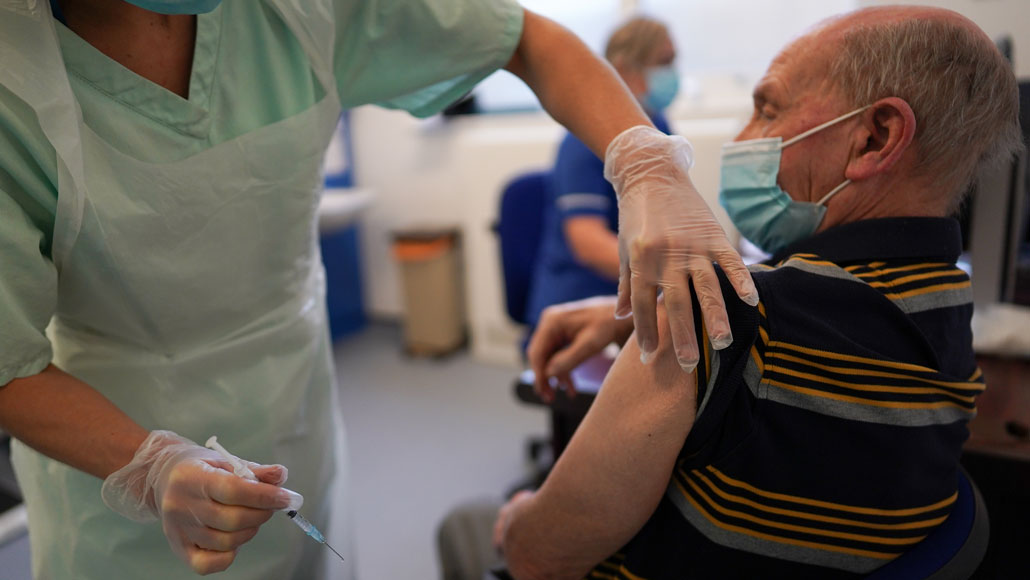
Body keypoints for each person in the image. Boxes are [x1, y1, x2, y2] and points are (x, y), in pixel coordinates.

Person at [0, 1, 759, 578]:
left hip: (290, 381)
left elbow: (521, 36)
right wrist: (150, 464)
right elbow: (7, 363)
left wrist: (644, 160)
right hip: (105, 430)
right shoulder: (15, 79)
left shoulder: (305, 13)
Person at [494, 6, 1022, 579]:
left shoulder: (710, 325)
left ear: (875, 138)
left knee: (474, 528)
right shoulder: (950, 301)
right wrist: (628, 314)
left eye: (766, 109)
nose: (742, 140)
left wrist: (519, 514)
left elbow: (538, 555)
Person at [525, 17, 679, 329]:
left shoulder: (658, 126)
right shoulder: (584, 139)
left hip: (636, 290)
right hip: (579, 298)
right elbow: (588, 243)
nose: (672, 73)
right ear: (623, 69)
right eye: (663, 63)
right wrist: (670, 273)